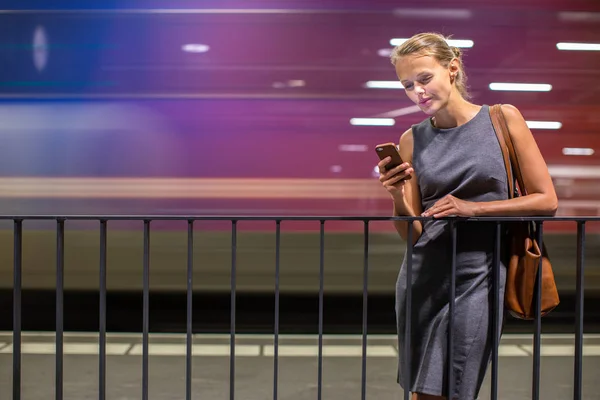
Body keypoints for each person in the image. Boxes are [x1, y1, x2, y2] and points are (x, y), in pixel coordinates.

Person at [377, 32, 558, 400]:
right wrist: (397, 195)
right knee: (422, 393)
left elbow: (546, 200)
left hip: (481, 275)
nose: (417, 92)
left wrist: (472, 208)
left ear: (453, 69)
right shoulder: (411, 139)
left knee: (455, 388)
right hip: (422, 280)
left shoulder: (502, 119)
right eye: (407, 85)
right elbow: (413, 235)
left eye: (424, 79)